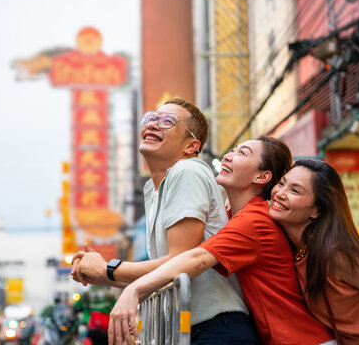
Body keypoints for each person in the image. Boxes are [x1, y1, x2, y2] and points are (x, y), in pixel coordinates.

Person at [107, 137, 336, 345]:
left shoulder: (254, 221)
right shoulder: (233, 216)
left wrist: (133, 289)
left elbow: (196, 259)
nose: (228, 155)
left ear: (261, 177)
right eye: (233, 149)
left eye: (242, 153)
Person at [72, 98, 257, 344]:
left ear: (191, 145)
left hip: (217, 329)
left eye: (167, 121)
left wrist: (107, 269)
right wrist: (98, 271)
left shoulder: (187, 170)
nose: (153, 125)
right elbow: (165, 272)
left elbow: (180, 260)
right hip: (196, 331)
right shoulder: (155, 189)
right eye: (150, 118)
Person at [269, 159, 359, 345]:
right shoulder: (300, 250)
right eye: (281, 184)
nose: (280, 193)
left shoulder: (334, 253)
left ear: (316, 211)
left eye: (295, 190)